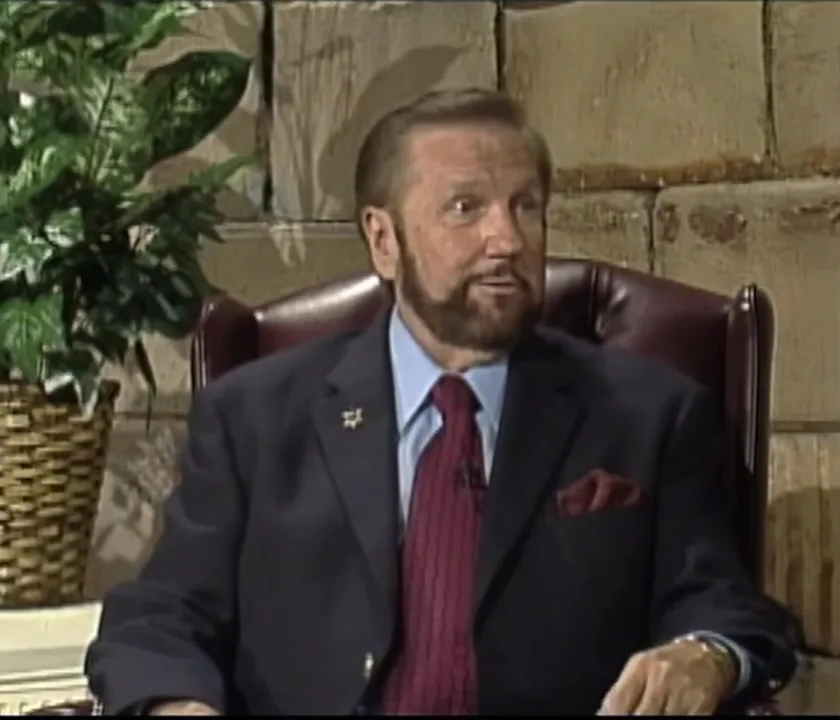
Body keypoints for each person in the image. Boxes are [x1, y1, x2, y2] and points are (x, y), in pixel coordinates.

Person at [86, 88, 801, 716]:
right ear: (383, 239)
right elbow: (162, 614)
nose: (507, 239)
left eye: (526, 206)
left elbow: (726, 606)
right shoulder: (255, 418)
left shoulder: (648, 415)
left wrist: (706, 656)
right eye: (466, 208)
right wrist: (176, 706)